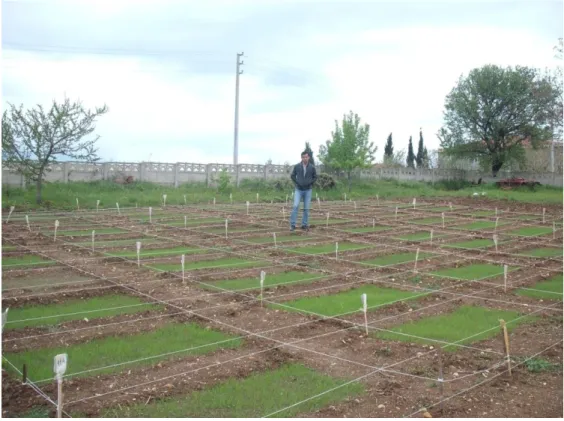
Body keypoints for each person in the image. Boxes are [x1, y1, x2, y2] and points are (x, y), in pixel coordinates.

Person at [290, 151, 317, 231]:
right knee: (295, 206)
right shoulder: (297, 166)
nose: (305, 158)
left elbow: (315, 177)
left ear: (308, 157)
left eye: (306, 157)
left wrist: (310, 183)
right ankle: (292, 225)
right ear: (301, 158)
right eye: (303, 157)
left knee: (306, 208)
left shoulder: (312, 167)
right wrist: (297, 182)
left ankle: (304, 225)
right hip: (298, 189)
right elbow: (292, 176)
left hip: (308, 190)